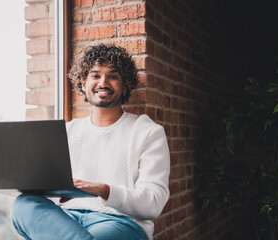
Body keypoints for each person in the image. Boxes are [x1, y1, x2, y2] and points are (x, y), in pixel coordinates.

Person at [10, 44, 170, 240]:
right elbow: (49, 197)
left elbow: (153, 203)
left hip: (120, 222)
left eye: (112, 76)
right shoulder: (68, 131)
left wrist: (104, 190)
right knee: (23, 205)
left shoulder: (148, 132)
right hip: (66, 218)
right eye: (95, 75)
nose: (103, 82)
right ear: (83, 83)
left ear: (125, 84)